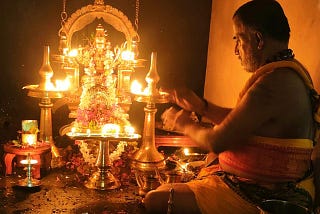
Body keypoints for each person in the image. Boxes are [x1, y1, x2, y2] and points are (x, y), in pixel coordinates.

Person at [143, 0, 320, 213]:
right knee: (199, 168)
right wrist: (202, 107)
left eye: (238, 38)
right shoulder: (286, 73)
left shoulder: (274, 83)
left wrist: (182, 124)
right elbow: (244, 120)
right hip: (259, 184)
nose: (236, 50)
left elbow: (217, 141)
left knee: (155, 200)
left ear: (258, 39)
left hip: (265, 194)